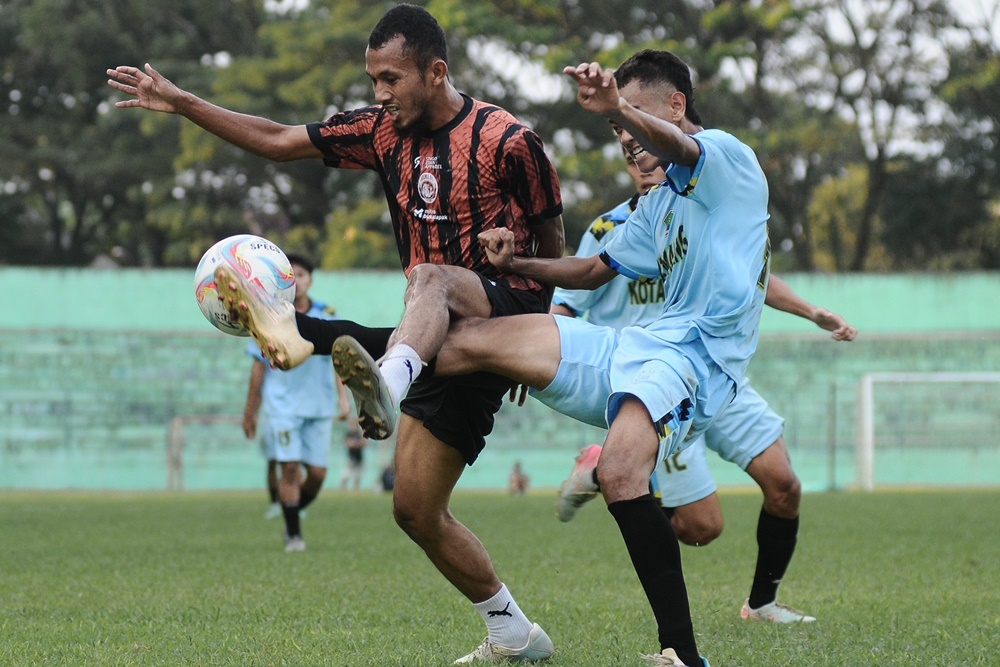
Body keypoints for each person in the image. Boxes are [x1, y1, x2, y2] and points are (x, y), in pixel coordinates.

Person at [109, 5, 563, 661]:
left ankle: (378, 371)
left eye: (390, 78)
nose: (379, 92)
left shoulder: (507, 140)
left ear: (435, 72)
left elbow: (549, 232)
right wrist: (182, 102)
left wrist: (533, 329)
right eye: (373, 78)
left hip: (493, 305)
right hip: (434, 330)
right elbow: (273, 139)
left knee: (431, 277)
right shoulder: (381, 134)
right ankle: (512, 630)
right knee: (414, 509)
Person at [339, 48, 772, 666]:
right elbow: (595, 269)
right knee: (456, 341)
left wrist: (616, 104)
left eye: (636, 116)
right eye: (620, 128)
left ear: (676, 105)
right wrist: (516, 264)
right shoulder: (655, 204)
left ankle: (683, 656)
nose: (627, 137)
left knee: (623, 474)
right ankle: (391, 376)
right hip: (637, 346)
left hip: (698, 360)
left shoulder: (728, 158)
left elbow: (681, 149)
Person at [546, 147, 856, 623]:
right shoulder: (610, 231)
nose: (645, 167)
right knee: (702, 528)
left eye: (652, 156)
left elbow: (754, 274)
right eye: (633, 158)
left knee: (784, 486)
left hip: (717, 371)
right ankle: (609, 474)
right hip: (656, 384)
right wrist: (537, 349)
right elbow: (568, 301)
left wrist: (811, 311)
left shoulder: (706, 209)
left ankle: (762, 604)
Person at [241, 253, 350, 551]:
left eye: (301, 275)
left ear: (310, 280)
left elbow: (338, 358)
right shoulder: (266, 317)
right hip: (283, 406)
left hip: (318, 405)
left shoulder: (326, 313)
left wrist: (344, 399)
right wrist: (250, 412)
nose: (296, 281)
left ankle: (292, 509)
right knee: (289, 468)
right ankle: (294, 535)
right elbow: (258, 368)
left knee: (317, 474)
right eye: (290, 275)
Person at [339, 424, 367, 491]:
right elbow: (348, 443)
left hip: (359, 458)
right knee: (345, 475)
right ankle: (342, 489)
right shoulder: (349, 434)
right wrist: (356, 444)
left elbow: (364, 443)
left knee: (358, 477)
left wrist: (357, 443)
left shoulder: (360, 434)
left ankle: (356, 490)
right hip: (351, 458)